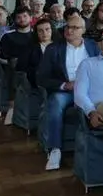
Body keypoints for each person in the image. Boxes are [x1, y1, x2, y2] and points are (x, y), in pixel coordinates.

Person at [37, 15, 98, 170]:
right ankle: (55, 149)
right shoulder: (54, 49)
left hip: (90, 90)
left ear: (83, 30)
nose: (69, 30)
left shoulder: (93, 47)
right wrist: (64, 85)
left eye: (74, 27)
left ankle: (98, 148)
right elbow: (42, 78)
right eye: (67, 27)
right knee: (55, 103)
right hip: (65, 91)